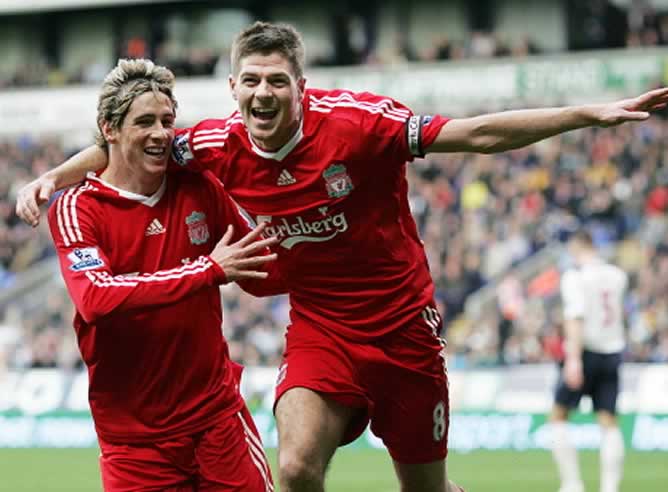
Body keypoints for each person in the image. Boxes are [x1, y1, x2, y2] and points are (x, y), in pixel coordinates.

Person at [15, 22, 668, 492]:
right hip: (321, 328)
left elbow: (477, 132)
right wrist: (53, 177)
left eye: (277, 81)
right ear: (234, 88)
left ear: (302, 87)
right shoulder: (212, 143)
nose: (263, 94)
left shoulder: (362, 125)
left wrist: (590, 114)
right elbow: (124, 143)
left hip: (404, 327)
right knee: (296, 467)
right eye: (251, 82)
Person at [46, 58, 282, 491]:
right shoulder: (77, 207)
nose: (160, 133)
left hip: (216, 420)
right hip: (134, 441)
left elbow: (262, 269)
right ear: (110, 128)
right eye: (145, 121)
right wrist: (208, 270)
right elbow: (95, 299)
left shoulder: (198, 186)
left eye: (167, 120)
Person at [549, 230, 628, 492]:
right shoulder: (617, 276)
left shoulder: (575, 277)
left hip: (586, 351)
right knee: (608, 420)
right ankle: (610, 487)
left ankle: (572, 484)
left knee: (559, 415)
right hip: (613, 350)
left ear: (577, 246)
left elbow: (575, 316)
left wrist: (573, 359)